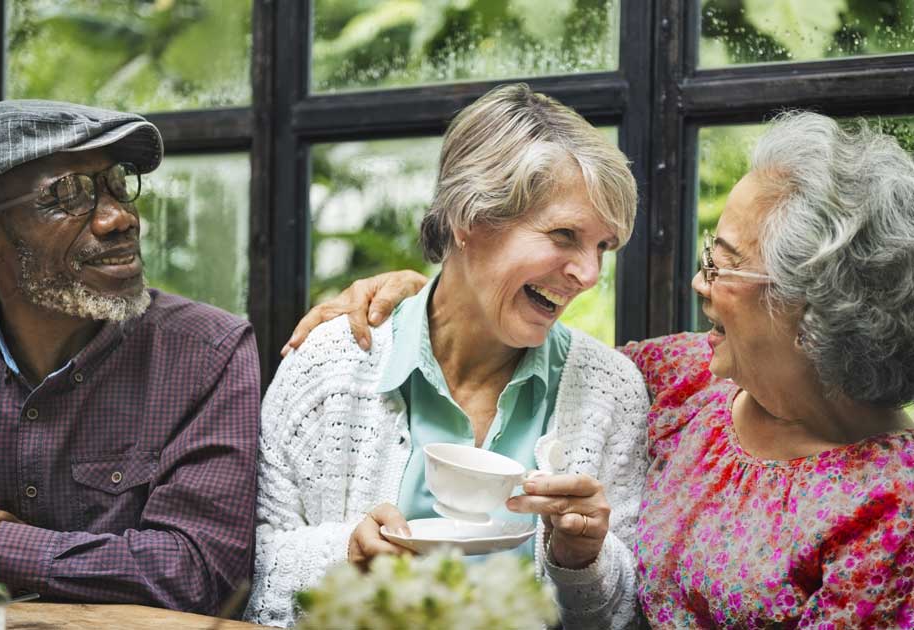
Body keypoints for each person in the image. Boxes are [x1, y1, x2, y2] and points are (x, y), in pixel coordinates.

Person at [286, 111, 914, 627]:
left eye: (721, 265)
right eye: (565, 236)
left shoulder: (892, 510)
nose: (699, 282)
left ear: (808, 306)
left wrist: (581, 559)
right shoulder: (686, 380)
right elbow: (482, 325)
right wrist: (416, 294)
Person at [244, 84, 650, 628]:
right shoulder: (330, 364)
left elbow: (624, 613)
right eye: (564, 235)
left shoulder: (611, 389)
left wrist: (584, 561)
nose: (590, 275)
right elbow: (248, 568)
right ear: (469, 218)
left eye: (603, 246)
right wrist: (344, 556)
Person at [0, 100, 260, 615]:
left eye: (117, 185)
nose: (120, 218)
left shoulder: (209, 352)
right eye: (68, 195)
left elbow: (202, 572)